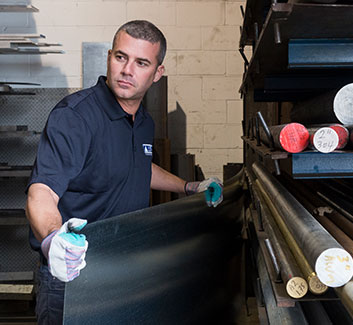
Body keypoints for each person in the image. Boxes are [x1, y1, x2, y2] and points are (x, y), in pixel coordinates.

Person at [25, 20, 223, 325]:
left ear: (157, 73)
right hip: (73, 276)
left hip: (125, 270)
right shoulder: (75, 117)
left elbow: (139, 166)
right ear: (109, 57)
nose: (127, 70)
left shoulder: (142, 122)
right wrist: (54, 240)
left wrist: (189, 187)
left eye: (141, 62)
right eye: (121, 57)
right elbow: (41, 192)